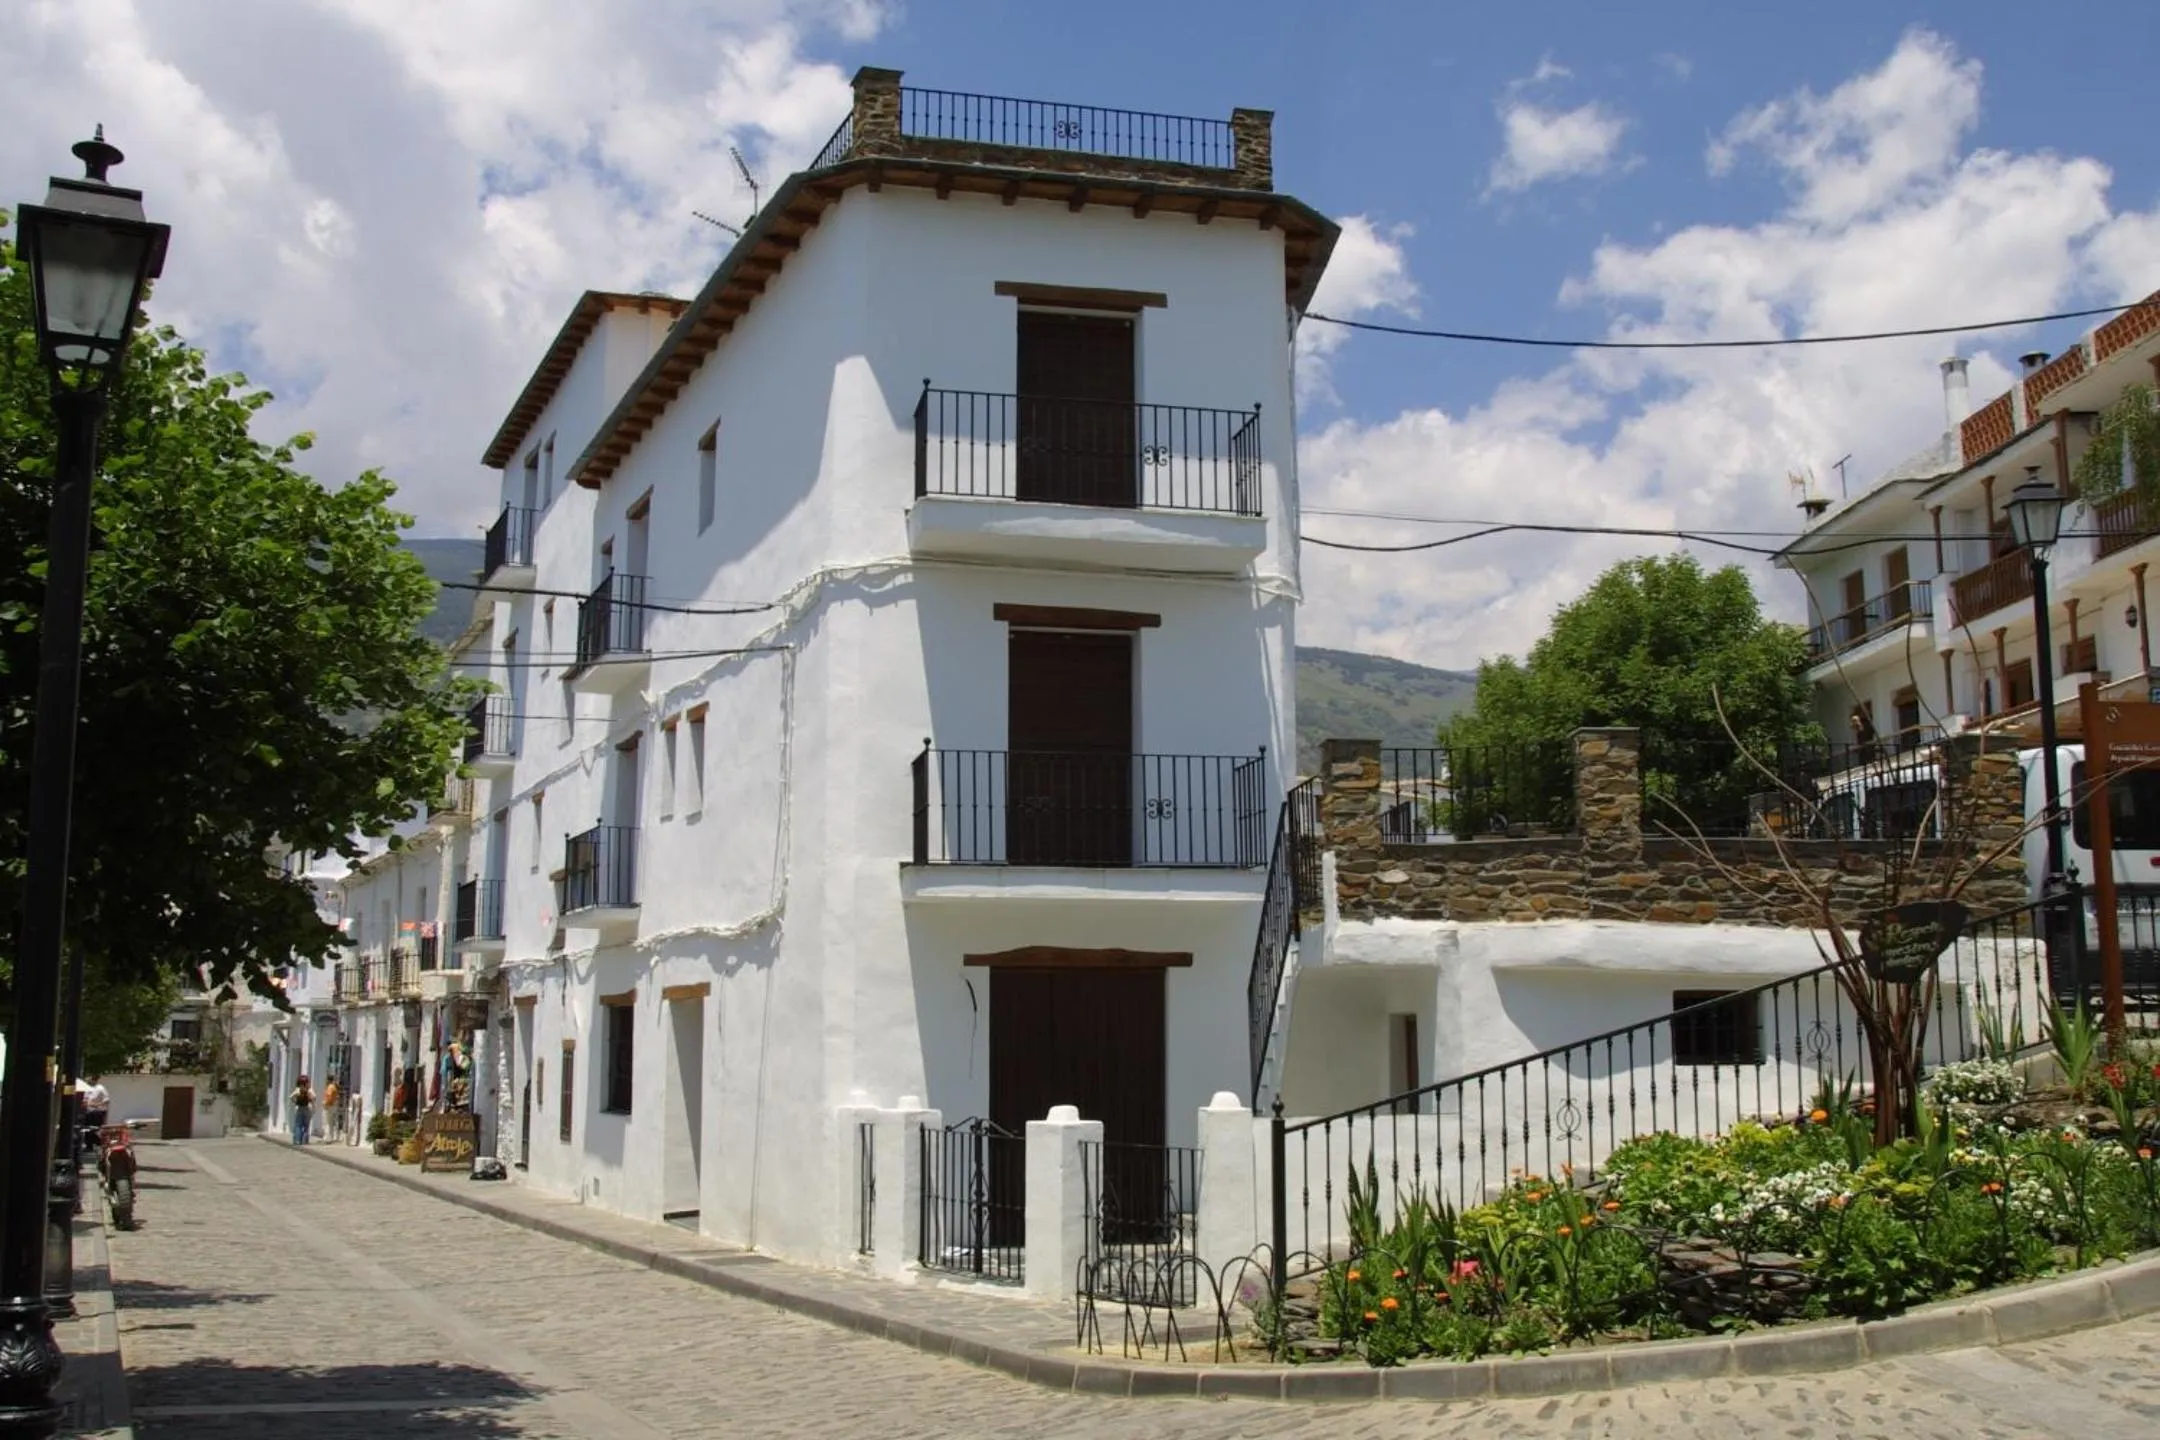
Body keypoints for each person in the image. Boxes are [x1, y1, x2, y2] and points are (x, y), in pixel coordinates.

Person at [289, 1075, 314, 1145]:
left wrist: (295, 1102)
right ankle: (304, 1140)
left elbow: (290, 1097)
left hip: (299, 1108)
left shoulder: (297, 1090)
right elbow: (314, 1097)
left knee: (298, 1125)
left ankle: (297, 1140)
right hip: (307, 1109)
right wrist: (310, 1100)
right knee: (306, 1126)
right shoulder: (309, 1090)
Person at [321, 1077, 342, 1141]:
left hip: (329, 1106)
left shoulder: (330, 1087)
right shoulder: (334, 1087)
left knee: (327, 1122)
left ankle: (327, 1138)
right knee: (331, 1122)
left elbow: (329, 1096)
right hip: (333, 1106)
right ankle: (331, 1137)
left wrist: (326, 1104)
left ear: (328, 1080)